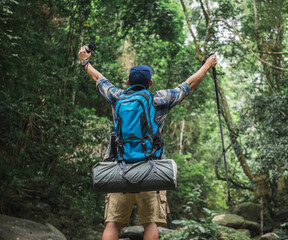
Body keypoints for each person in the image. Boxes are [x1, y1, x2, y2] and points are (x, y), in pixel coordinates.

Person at [78, 46, 217, 240]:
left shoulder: (117, 96)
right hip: (152, 171)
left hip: (119, 170)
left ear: (128, 82)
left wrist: (85, 61)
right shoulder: (159, 99)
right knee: (150, 223)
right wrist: (208, 65)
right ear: (150, 83)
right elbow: (189, 85)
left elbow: (98, 79)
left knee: (113, 224)